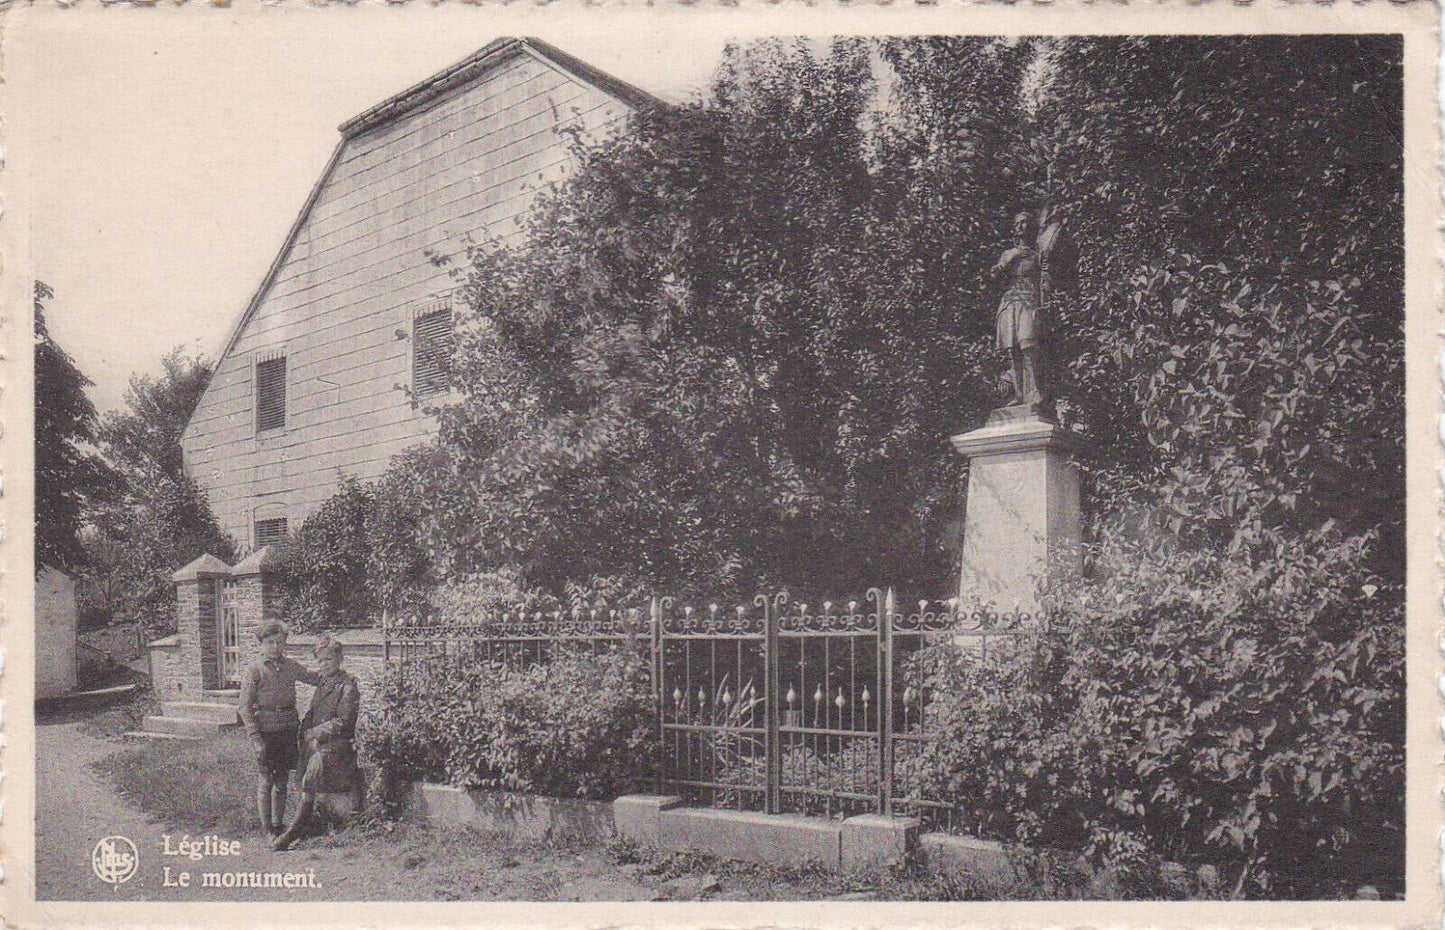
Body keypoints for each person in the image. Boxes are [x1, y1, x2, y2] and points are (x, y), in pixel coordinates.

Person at [273, 632, 364, 850]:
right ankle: (305, 821)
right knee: (303, 763)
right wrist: (305, 731)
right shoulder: (323, 684)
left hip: (340, 745)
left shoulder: (347, 686)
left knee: (316, 765)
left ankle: (295, 828)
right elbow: (312, 713)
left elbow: (343, 722)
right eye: (320, 660)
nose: (323, 665)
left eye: (329, 659)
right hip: (318, 742)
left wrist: (315, 734)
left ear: (339, 659)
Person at [237, 621, 321, 838]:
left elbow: (312, 678)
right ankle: (267, 829)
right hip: (265, 731)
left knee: (282, 779)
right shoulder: (254, 670)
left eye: (279, 642)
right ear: (261, 644)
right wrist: (255, 738)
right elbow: (244, 707)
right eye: (270, 642)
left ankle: (278, 824)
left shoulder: (290, 666)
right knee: (266, 778)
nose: (275, 647)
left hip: (287, 729)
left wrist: (338, 676)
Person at [991, 210, 1048, 406]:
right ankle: (1019, 394)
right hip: (1010, 303)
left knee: (1028, 346)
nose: (1021, 226)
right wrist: (1004, 264)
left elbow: (1045, 282)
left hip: (1029, 302)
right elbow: (995, 277)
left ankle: (1035, 393)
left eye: (1025, 223)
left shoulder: (1038, 255)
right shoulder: (1008, 254)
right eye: (1018, 224)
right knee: (1013, 349)